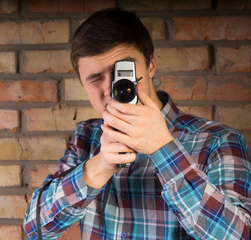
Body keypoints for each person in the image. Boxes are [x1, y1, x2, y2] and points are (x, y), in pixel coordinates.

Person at [23, 8, 251, 240]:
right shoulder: (86, 138)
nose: (113, 88)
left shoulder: (218, 140)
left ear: (150, 65)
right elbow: (36, 229)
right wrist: (99, 166)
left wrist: (164, 149)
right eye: (96, 79)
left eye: (123, 73)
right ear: (83, 85)